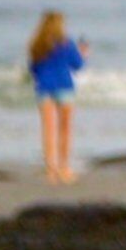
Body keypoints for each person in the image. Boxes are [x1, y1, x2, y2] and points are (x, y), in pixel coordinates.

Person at [25, 13, 83, 186]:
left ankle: (51, 170)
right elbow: (78, 65)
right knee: (65, 129)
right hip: (64, 87)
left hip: (44, 87)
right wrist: (83, 53)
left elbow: (33, 69)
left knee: (48, 130)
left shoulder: (37, 45)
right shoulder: (67, 43)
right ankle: (64, 168)